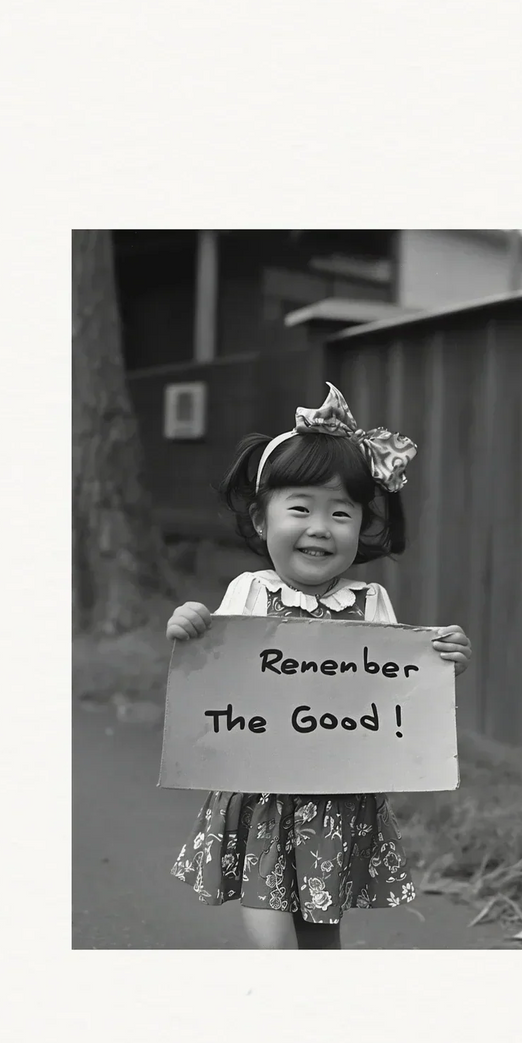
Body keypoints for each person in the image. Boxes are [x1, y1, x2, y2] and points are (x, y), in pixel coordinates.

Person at [167, 382, 471, 950]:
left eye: (341, 513)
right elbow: (214, 664)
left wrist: (443, 663)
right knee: (273, 929)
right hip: (260, 789)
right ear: (262, 521)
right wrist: (188, 625)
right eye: (300, 508)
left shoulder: (371, 604)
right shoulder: (249, 592)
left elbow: (395, 688)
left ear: (360, 525)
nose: (320, 526)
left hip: (337, 791)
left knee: (321, 924)